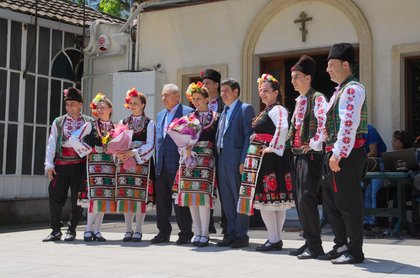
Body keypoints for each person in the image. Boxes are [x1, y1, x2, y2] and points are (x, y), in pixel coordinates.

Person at [319, 43, 368, 264]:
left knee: (348, 203)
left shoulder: (352, 89)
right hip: (334, 154)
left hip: (346, 155)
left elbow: (349, 124)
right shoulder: (339, 90)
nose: (328, 69)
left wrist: (337, 154)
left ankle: (355, 251)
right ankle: (341, 243)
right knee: (332, 201)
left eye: (331, 65)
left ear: (345, 64)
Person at [237, 74, 293, 251]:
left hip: (270, 159)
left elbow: (284, 127)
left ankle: (274, 238)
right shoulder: (267, 110)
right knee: (273, 201)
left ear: (276, 92)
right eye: (261, 90)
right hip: (265, 158)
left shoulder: (278, 110)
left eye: (266, 90)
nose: (263, 94)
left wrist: (273, 147)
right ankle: (275, 238)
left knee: (270, 200)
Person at [287, 56, 328, 259]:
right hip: (297, 156)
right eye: (292, 77)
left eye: (297, 77)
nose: (293, 81)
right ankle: (310, 241)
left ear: (308, 78)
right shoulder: (300, 101)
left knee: (306, 199)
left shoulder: (318, 97)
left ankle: (315, 245)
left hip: (311, 156)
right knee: (299, 199)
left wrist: (312, 144)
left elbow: (323, 125)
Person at [172, 82, 220, 247]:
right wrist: (185, 150)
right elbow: (179, 140)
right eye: (194, 99)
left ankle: (205, 233)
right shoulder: (188, 118)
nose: (196, 102)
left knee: (203, 197)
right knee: (191, 197)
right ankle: (197, 231)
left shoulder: (216, 117)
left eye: (199, 98)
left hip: (207, 159)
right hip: (189, 158)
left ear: (207, 99)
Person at [43, 87, 93, 242]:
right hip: (61, 164)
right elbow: (51, 143)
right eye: (67, 104)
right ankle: (55, 230)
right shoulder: (59, 122)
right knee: (55, 196)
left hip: (80, 165)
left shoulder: (89, 122)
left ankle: (72, 230)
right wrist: (49, 164)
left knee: (77, 200)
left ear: (80, 105)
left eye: (72, 104)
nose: (69, 107)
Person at [69, 92, 115, 242]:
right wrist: (89, 149)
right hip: (94, 166)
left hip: (109, 166)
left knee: (103, 198)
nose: (100, 110)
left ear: (110, 109)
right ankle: (88, 229)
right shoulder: (91, 125)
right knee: (94, 198)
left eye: (103, 107)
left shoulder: (115, 127)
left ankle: (97, 230)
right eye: (98, 108)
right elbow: (74, 138)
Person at [152, 84, 194, 244]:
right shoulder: (160, 114)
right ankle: (163, 232)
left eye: (166, 95)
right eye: (162, 95)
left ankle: (185, 233)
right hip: (161, 164)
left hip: (178, 163)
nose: (163, 98)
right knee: (162, 202)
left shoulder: (187, 112)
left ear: (177, 96)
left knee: (180, 201)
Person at [216, 78, 255, 248]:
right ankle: (230, 234)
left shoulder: (245, 109)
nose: (223, 94)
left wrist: (244, 160)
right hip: (222, 158)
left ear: (235, 92)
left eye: (226, 90)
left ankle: (241, 236)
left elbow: (248, 136)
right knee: (227, 200)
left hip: (236, 160)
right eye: (222, 90)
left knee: (239, 198)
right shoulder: (223, 112)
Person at [115, 88, 156, 242]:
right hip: (125, 161)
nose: (132, 106)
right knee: (127, 196)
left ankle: (138, 229)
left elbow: (151, 145)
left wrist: (134, 152)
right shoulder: (123, 122)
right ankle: (127, 230)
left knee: (139, 196)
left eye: (135, 103)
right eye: (130, 103)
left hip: (141, 162)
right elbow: (116, 141)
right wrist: (118, 153)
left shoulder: (149, 123)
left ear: (143, 105)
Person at [201, 68, 225, 234]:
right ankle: (206, 225)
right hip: (203, 153)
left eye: (208, 83)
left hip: (220, 151)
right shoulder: (199, 103)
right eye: (203, 83)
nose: (205, 86)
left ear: (216, 84)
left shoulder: (225, 103)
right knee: (205, 187)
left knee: (223, 188)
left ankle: (226, 225)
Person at [363, 124, 387, 230]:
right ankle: (367, 221)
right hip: (365, 163)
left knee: (374, 192)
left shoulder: (370, 130)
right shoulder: (352, 131)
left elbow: (374, 152)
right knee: (366, 192)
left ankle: (375, 221)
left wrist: (358, 159)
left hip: (377, 161)